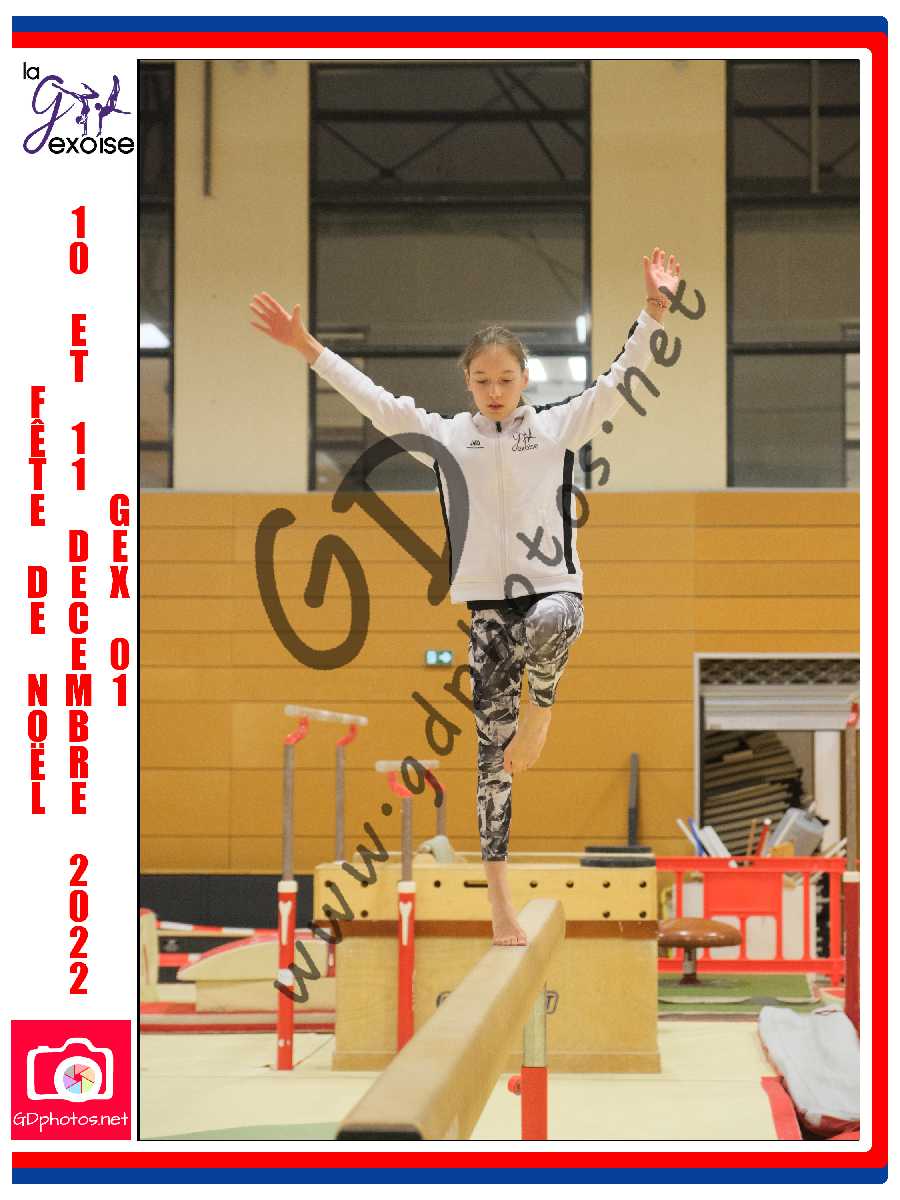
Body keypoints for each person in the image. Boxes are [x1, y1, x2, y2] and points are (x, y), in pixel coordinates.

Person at [250, 246, 681, 946]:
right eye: (482, 380)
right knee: (489, 765)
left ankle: (544, 704)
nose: (494, 390)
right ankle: (500, 904)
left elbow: (621, 378)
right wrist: (307, 348)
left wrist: (656, 306)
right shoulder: (446, 438)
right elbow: (375, 401)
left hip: (554, 590)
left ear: (525, 378)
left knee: (549, 621)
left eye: (506, 378)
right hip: (486, 608)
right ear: (467, 382)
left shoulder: (556, 427)